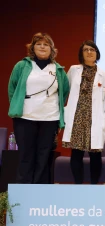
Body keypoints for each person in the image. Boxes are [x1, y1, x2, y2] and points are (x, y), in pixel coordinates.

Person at [8, 32, 69, 184]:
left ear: (52, 49)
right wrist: (16, 105)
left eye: (46, 44)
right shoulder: (22, 65)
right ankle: (23, 190)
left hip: (50, 119)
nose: (42, 47)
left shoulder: (58, 70)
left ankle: (39, 192)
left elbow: (65, 91)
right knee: (25, 155)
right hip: (25, 118)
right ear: (32, 47)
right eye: (39, 44)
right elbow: (12, 88)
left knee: (43, 156)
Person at [62, 40, 105, 184]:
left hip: (95, 117)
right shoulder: (74, 70)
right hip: (77, 115)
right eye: (86, 50)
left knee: (95, 153)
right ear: (81, 53)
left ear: (97, 53)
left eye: (92, 50)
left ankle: (93, 185)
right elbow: (65, 92)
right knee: (76, 153)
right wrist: (62, 113)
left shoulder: (104, 75)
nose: (89, 52)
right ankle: (78, 184)